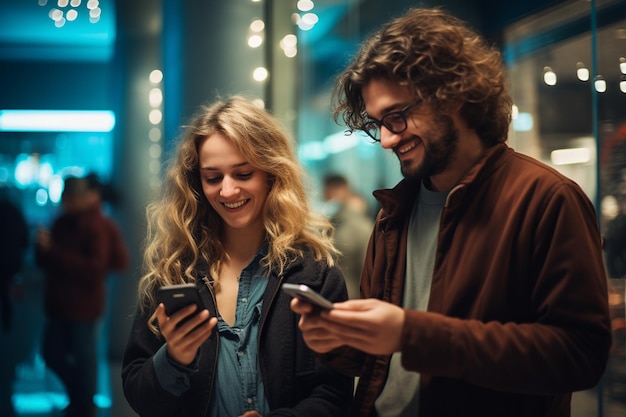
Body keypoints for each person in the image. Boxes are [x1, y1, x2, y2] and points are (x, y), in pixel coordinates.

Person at [291, 7, 612, 417]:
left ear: (453, 93)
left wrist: (413, 333)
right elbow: (384, 362)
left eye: (397, 116)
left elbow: (579, 356)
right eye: (378, 123)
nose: (387, 139)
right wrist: (338, 339)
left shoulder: (547, 198)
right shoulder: (394, 212)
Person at [121, 96, 353, 417]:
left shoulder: (314, 274)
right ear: (197, 184)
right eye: (213, 178)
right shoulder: (175, 271)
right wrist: (174, 358)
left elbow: (335, 394)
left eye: (243, 174)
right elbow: (139, 395)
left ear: (271, 174)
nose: (227, 191)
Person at [35, 175, 130, 417]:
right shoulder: (63, 222)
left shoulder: (97, 225)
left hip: (84, 305)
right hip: (59, 303)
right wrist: (44, 249)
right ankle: (80, 398)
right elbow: (46, 262)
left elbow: (96, 268)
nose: (65, 203)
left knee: (84, 358)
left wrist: (54, 251)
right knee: (53, 354)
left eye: (69, 198)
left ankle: (84, 403)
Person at [322, 173, 373, 298]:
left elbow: (368, 271)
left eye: (337, 190)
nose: (334, 196)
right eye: (330, 191)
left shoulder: (361, 227)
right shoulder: (320, 225)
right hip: (329, 298)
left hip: (352, 298)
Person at [0, 188, 29, 333]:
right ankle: (7, 321)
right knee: (7, 292)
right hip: (12, 260)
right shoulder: (16, 212)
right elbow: (25, 238)